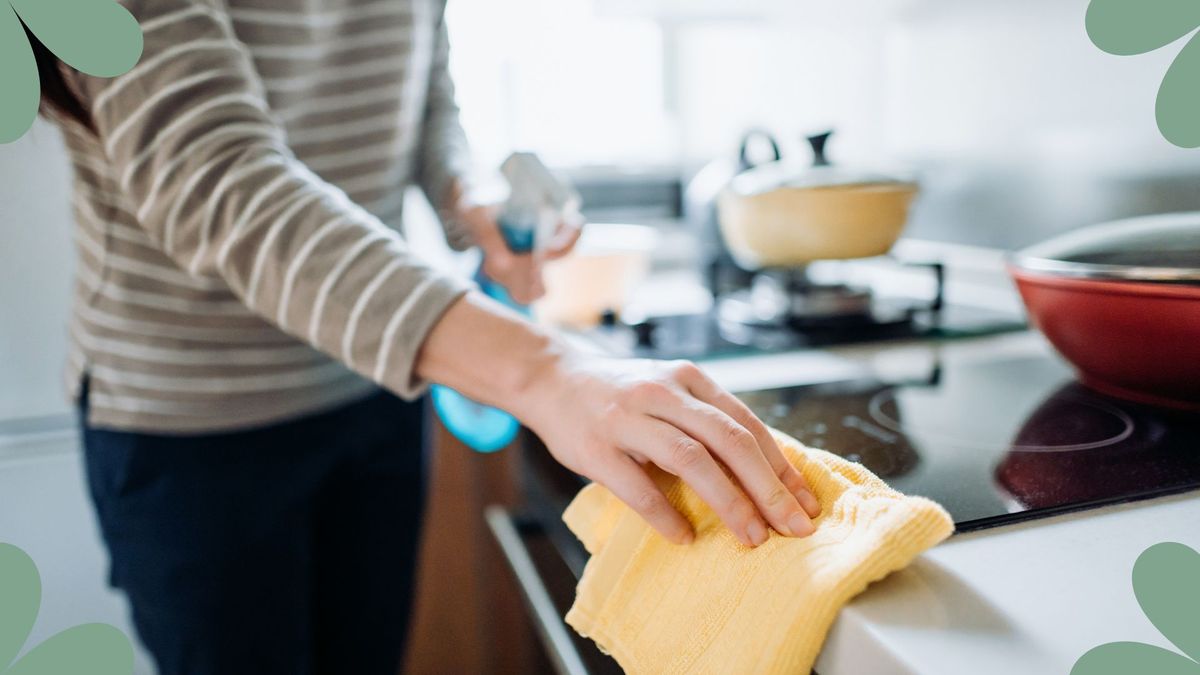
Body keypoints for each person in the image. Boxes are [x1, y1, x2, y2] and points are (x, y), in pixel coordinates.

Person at [31, 1, 821, 673]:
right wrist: (548, 373)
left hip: (370, 387)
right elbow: (218, 179)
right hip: (193, 423)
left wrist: (465, 194)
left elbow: (423, 91)